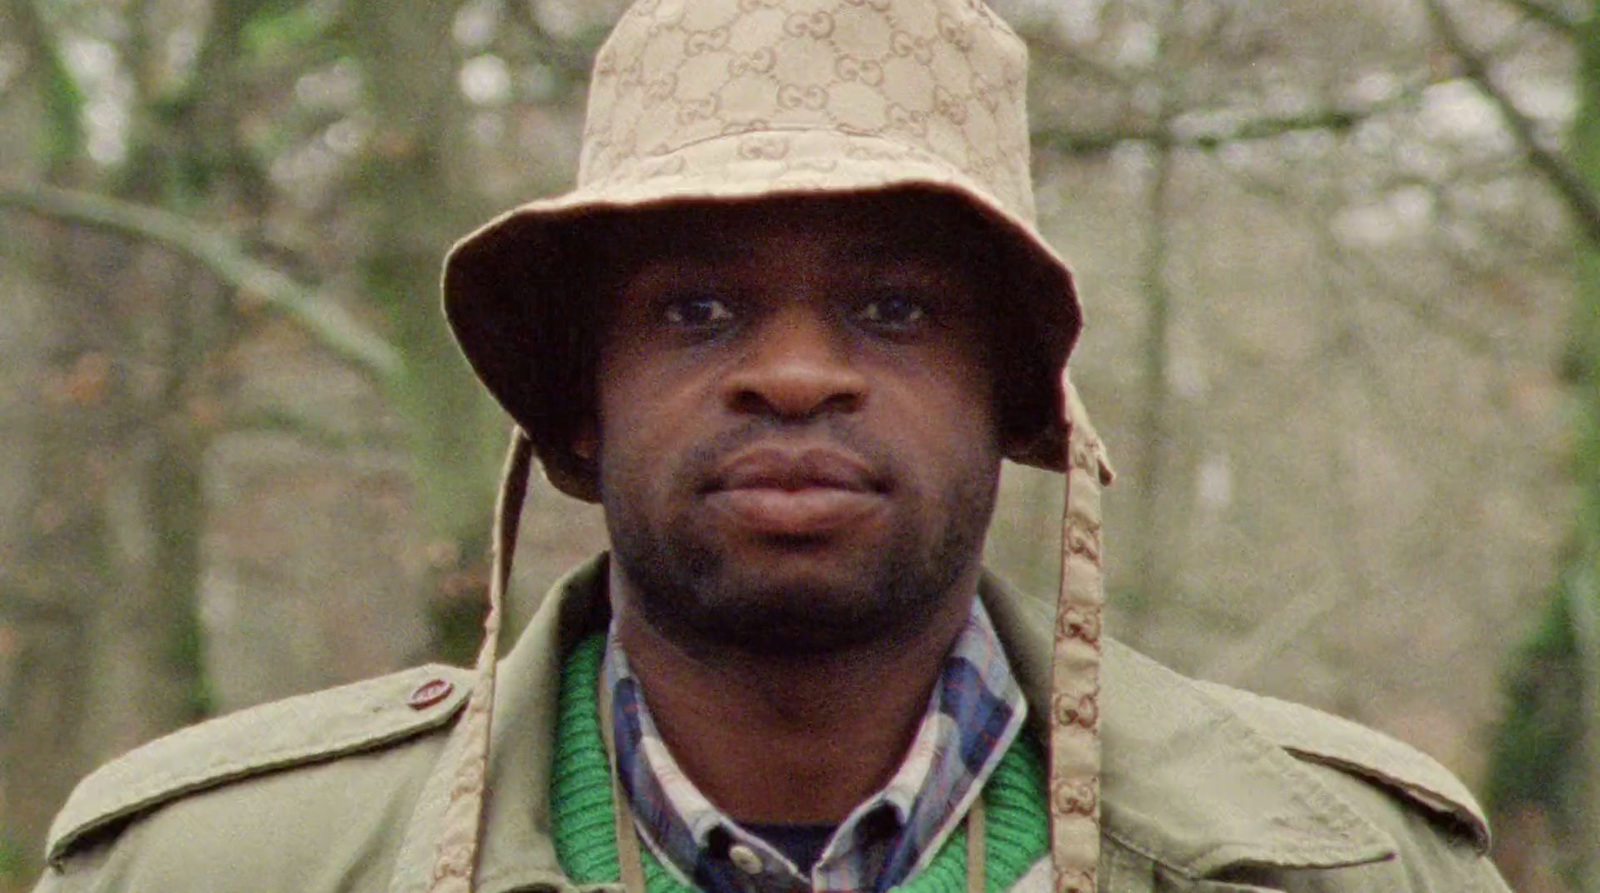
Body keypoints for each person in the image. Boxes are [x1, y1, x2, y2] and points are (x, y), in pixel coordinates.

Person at [35, 0, 1513, 891]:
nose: (796, 372)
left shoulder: (1346, 863)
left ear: (1019, 396)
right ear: (573, 406)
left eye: (890, 303)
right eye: (695, 307)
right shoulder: (221, 862)